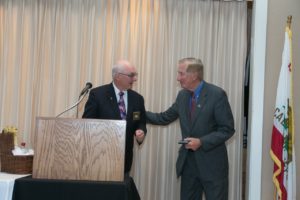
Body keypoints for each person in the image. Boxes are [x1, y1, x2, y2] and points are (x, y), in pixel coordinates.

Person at [146, 57, 235, 200]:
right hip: (189, 165)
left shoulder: (216, 94)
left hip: (212, 166)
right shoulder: (182, 96)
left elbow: (227, 129)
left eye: (181, 74)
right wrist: (136, 111)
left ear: (194, 75)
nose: (177, 78)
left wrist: (201, 141)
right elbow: (164, 117)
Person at [82, 59, 147, 174]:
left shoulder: (137, 98)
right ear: (118, 76)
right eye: (131, 75)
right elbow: (87, 123)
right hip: (99, 157)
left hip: (125, 159)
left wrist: (140, 131)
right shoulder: (97, 95)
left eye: (135, 75)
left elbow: (140, 121)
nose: (135, 79)